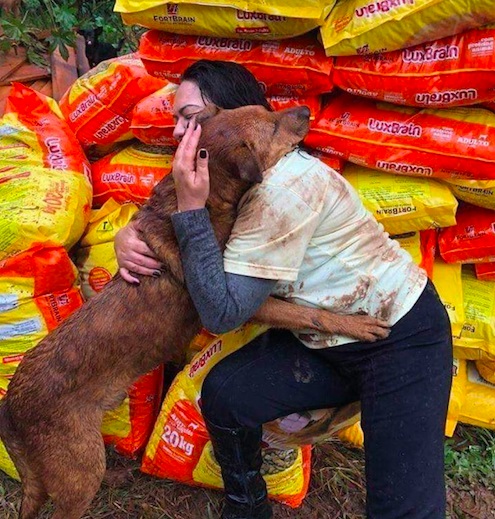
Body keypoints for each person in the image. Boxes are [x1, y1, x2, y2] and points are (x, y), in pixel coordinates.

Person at [115, 60, 453, 519]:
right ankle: (246, 505)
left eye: (191, 118)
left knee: (402, 509)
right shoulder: (226, 167)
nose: (177, 132)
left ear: (233, 121)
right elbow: (156, 212)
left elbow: (222, 313)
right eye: (176, 119)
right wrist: (127, 236)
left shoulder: (282, 190)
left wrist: (191, 213)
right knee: (226, 395)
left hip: (398, 338)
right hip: (326, 344)